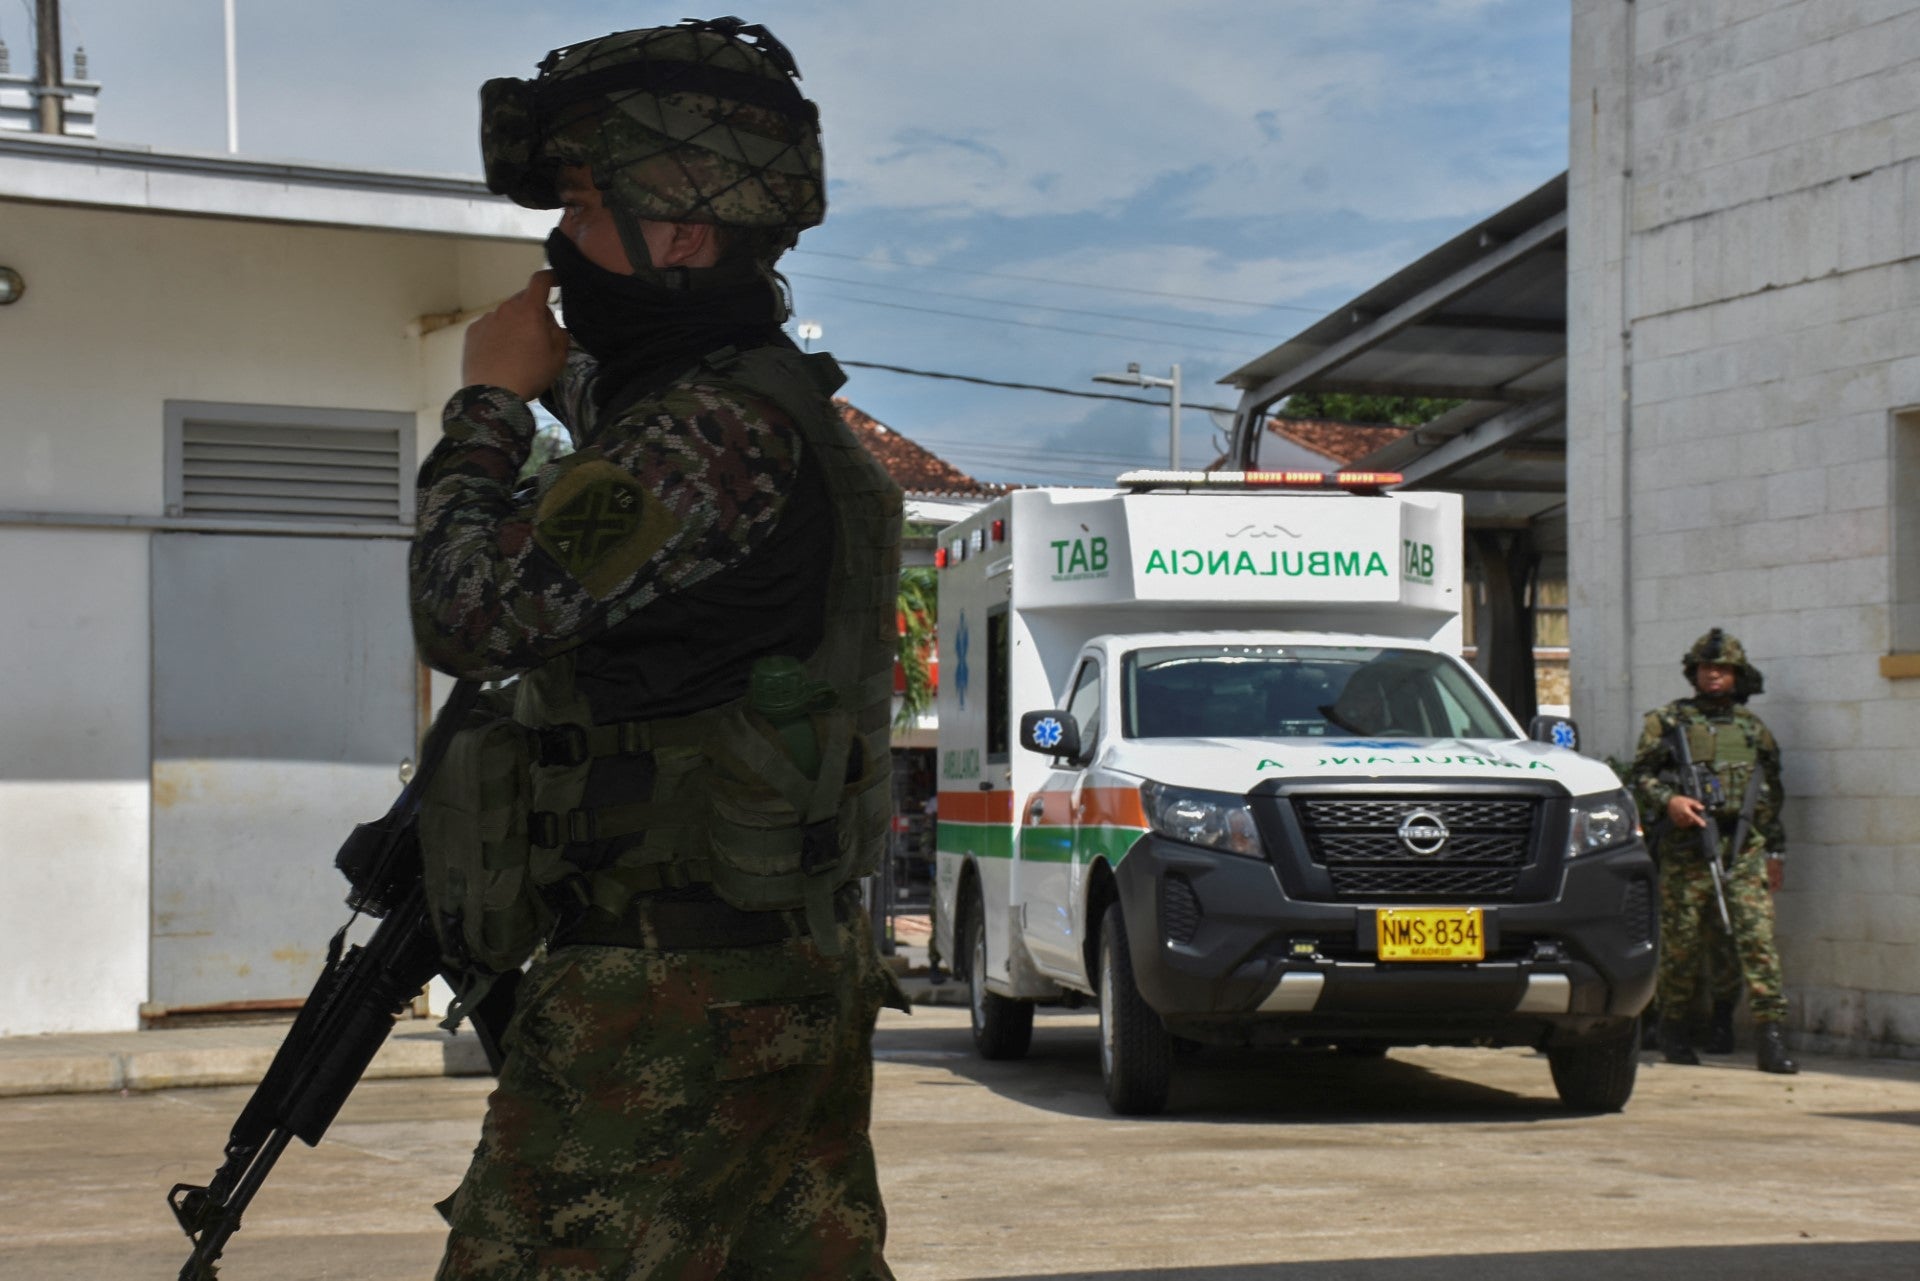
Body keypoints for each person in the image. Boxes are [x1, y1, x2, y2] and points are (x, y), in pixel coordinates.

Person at [408, 18, 905, 1278]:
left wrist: (487, 403)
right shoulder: (752, 401)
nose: (559, 244)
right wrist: (566, 382)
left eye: (579, 206)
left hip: (669, 986)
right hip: (762, 956)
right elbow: (629, 447)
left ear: (678, 229)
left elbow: (470, 616)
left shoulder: (711, 432)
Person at [1630, 629, 1798, 1075]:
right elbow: (1640, 777)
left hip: (1741, 848)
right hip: (1688, 849)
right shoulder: (1666, 722)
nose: (1714, 676)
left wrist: (1775, 852)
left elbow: (1770, 795)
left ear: (1736, 675)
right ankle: (1674, 1031)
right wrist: (1671, 802)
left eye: (1723, 669)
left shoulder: (1752, 730)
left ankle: (1772, 1036)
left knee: (1757, 941)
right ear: (1694, 673)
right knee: (1681, 944)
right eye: (1707, 668)